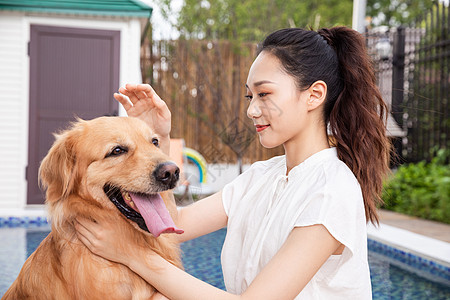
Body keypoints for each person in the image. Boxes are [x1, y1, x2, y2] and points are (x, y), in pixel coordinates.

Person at [75, 26, 391, 299]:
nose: (252, 110)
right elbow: (172, 227)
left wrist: (133, 256)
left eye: (264, 94)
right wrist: (159, 138)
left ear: (314, 95)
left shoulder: (332, 191)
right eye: (249, 97)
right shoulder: (262, 176)